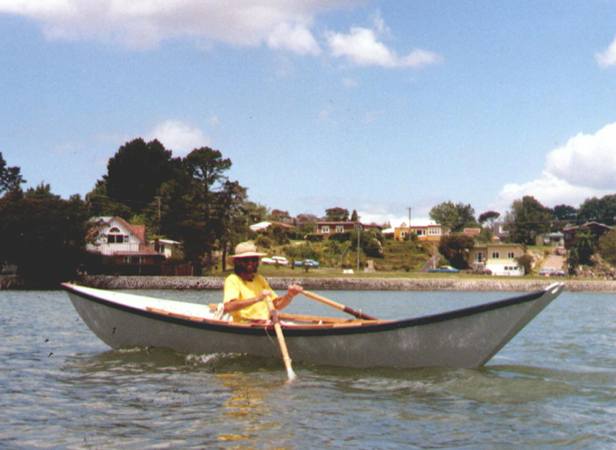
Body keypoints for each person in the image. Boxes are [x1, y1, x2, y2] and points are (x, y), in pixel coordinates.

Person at [223, 241, 303, 323]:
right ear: (237, 262)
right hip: (245, 325)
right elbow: (228, 307)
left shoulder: (259, 279)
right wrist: (257, 298)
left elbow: (276, 305)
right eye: (246, 260)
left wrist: (289, 295)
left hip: (264, 324)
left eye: (254, 259)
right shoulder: (233, 280)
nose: (250, 263)